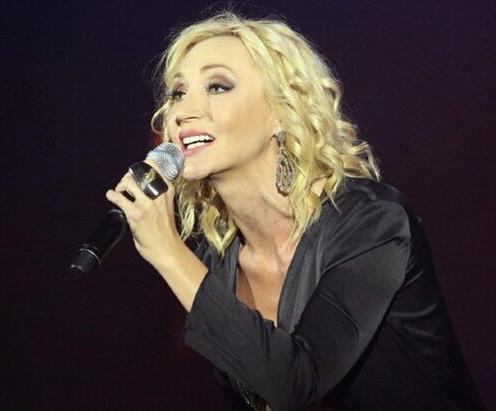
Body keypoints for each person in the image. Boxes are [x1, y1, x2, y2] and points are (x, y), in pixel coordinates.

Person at [104, 12, 483, 411]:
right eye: (178, 93)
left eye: (217, 86)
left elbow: (296, 384)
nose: (183, 111)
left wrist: (167, 252)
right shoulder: (218, 263)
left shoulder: (373, 223)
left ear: (282, 112)